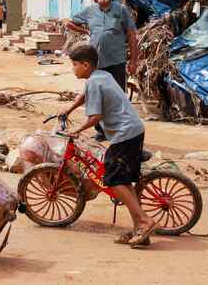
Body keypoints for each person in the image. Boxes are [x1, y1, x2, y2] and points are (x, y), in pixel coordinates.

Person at [59, 44, 156, 247]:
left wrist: (76, 131)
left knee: (111, 179)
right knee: (124, 182)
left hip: (124, 134)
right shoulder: (101, 76)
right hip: (134, 129)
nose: (73, 69)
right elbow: (84, 96)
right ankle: (139, 228)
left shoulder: (95, 83)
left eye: (74, 65)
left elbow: (95, 117)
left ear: (85, 65)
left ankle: (145, 221)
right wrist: (68, 110)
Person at [64, 0, 139, 141]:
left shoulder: (121, 10)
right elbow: (68, 22)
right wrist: (85, 30)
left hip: (116, 61)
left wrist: (133, 61)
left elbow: (132, 36)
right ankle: (101, 130)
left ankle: (119, 130)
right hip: (96, 63)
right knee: (95, 96)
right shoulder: (89, 11)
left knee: (117, 97)